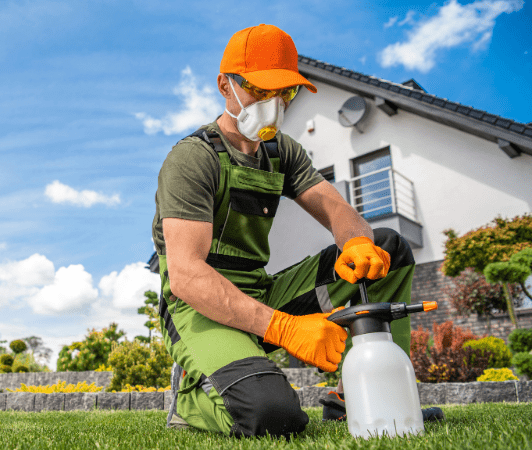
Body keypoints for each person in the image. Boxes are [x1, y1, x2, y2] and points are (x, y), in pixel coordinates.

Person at [151, 24, 442, 438]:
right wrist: (284, 328)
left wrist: (356, 242)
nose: (274, 104)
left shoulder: (282, 151)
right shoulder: (193, 159)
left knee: (387, 248)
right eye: (259, 90)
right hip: (198, 307)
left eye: (284, 92)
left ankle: (355, 398)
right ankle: (190, 400)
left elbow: (338, 209)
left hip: (263, 293)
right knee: (273, 417)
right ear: (225, 86)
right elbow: (185, 276)